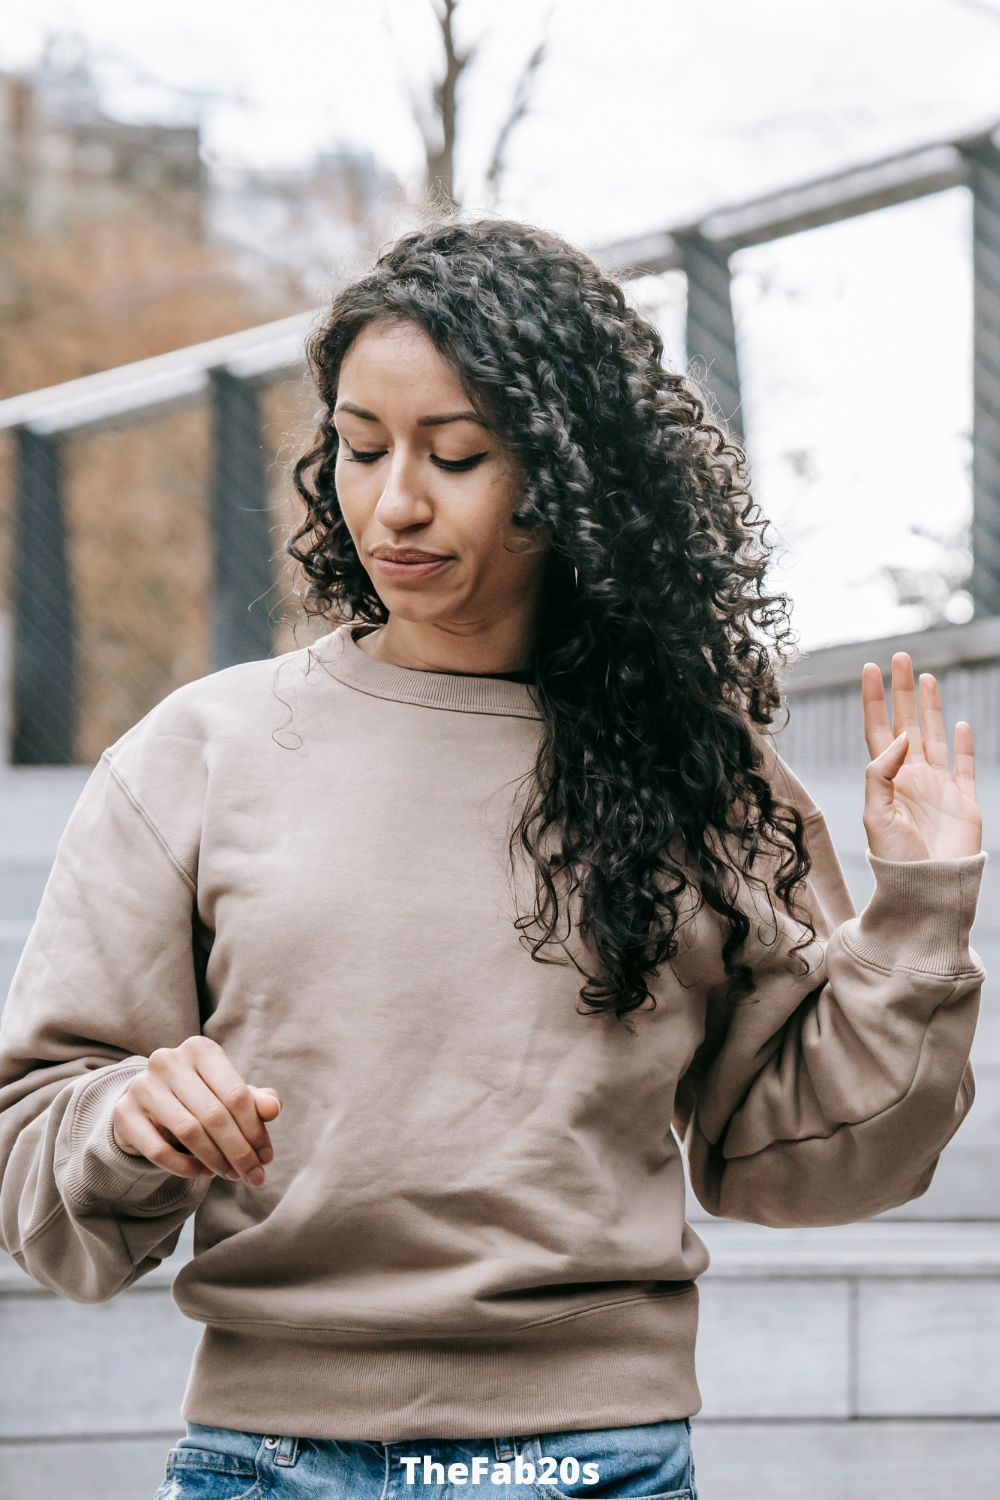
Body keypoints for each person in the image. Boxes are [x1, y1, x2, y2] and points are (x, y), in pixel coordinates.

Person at [0, 214, 987, 1500]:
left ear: (568, 477)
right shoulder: (199, 752)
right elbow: (36, 1170)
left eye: (453, 455)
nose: (392, 501)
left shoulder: (696, 773)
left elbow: (801, 1158)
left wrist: (917, 913)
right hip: (266, 1462)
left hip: (596, 1462)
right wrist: (127, 1121)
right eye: (358, 448)